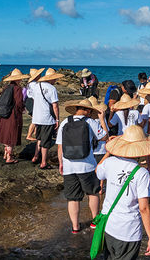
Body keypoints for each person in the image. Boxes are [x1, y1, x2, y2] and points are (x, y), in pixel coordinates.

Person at [96, 125, 150, 259]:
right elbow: (143, 208)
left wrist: (109, 152)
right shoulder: (141, 173)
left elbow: (98, 171)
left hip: (109, 227)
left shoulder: (110, 162)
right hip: (129, 231)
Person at [56, 99, 108, 233]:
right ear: (88, 111)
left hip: (69, 165)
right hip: (87, 165)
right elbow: (104, 136)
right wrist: (102, 120)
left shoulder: (65, 122)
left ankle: (75, 227)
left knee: (73, 198)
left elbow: (60, 146)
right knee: (93, 193)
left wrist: (61, 163)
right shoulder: (89, 122)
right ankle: (95, 222)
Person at [27, 68, 63, 169]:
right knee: (46, 142)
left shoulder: (36, 86)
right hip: (47, 118)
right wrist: (57, 119)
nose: (55, 80)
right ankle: (43, 162)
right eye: (54, 79)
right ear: (51, 79)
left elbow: (32, 98)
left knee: (39, 138)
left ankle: (35, 156)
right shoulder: (52, 89)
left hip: (37, 117)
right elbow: (55, 106)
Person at [0, 69, 29, 164]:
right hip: (13, 115)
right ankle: (9, 157)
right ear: (18, 79)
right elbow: (19, 103)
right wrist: (22, 108)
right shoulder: (17, 89)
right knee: (11, 136)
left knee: (6, 135)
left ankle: (6, 154)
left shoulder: (7, 87)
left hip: (5, 115)